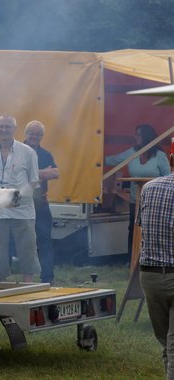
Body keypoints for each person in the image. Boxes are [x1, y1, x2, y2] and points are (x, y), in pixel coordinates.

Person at [0, 115, 40, 282]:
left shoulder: (28, 152)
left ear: (14, 129)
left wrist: (14, 198)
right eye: (1, 126)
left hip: (22, 211)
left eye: (7, 127)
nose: (4, 130)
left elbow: (33, 181)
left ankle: (28, 285)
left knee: (27, 249)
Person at [105, 124, 170, 258]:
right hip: (136, 200)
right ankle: (132, 259)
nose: (135, 137)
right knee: (133, 230)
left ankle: (152, 257)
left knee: (152, 230)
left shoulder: (160, 156)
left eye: (138, 134)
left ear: (146, 136)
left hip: (155, 202)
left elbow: (168, 178)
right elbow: (113, 160)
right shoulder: (132, 152)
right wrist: (92, 159)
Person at [137, 145, 174, 379]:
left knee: (166, 342)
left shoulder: (148, 188)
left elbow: (141, 225)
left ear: (170, 158)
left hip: (150, 278)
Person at [24, 120, 59, 284]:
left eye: (38, 134)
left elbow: (55, 173)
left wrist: (30, 173)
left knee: (45, 241)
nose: (34, 136)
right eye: (31, 133)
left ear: (42, 137)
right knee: (20, 241)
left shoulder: (45, 154)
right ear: (26, 134)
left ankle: (47, 278)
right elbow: (14, 173)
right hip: (21, 204)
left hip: (41, 205)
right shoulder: (16, 151)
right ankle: (21, 278)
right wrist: (43, 172)